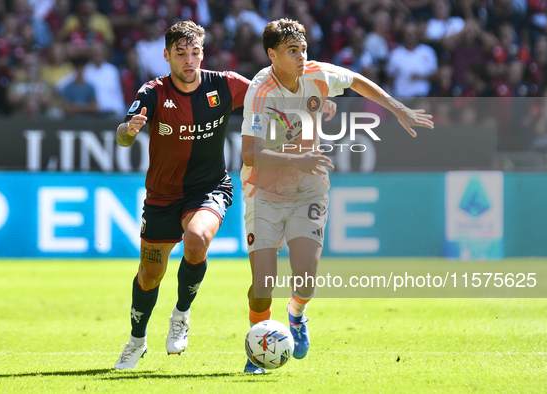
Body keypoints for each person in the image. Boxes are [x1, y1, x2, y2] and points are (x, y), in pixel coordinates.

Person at [240, 18, 434, 374]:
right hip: (263, 193)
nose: (301, 57)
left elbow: (356, 80)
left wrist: (398, 108)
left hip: (308, 189)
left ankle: (295, 317)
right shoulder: (260, 91)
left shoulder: (317, 74)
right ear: (272, 55)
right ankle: (257, 348)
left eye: (303, 49)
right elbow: (249, 154)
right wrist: (298, 157)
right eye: (292, 51)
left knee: (306, 276)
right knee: (263, 286)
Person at [113, 20, 250, 370]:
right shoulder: (153, 92)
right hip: (162, 196)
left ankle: (181, 315)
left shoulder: (225, 85)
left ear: (203, 53)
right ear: (166, 56)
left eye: (195, 53)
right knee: (149, 275)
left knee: (197, 237)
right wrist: (128, 131)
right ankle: (137, 341)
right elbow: (122, 137)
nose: (189, 60)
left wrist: (309, 104)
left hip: (209, 187)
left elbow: (269, 95)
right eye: (181, 54)